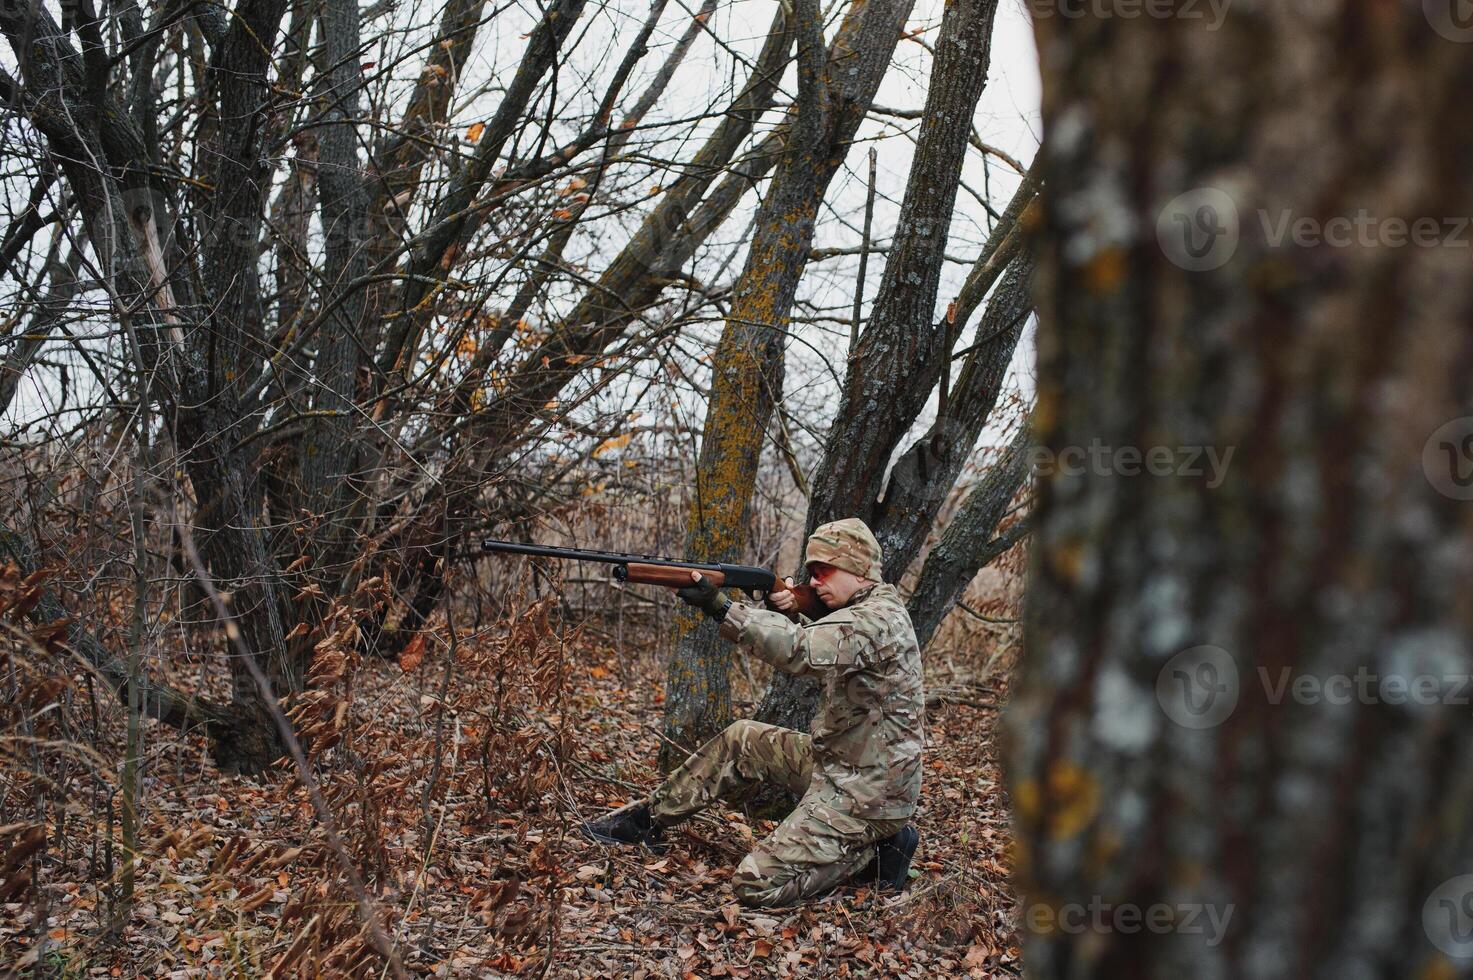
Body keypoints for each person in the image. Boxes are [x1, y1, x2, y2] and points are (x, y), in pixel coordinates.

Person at [579, 518, 925, 908]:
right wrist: (792, 605)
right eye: (810, 572)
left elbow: (799, 649)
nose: (813, 582)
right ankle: (645, 821)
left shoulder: (877, 619)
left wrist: (721, 607)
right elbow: (827, 635)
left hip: (870, 792)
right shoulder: (862, 609)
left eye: (824, 571)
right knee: (743, 738)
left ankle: (877, 851)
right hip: (840, 765)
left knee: (754, 884)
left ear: (859, 568)